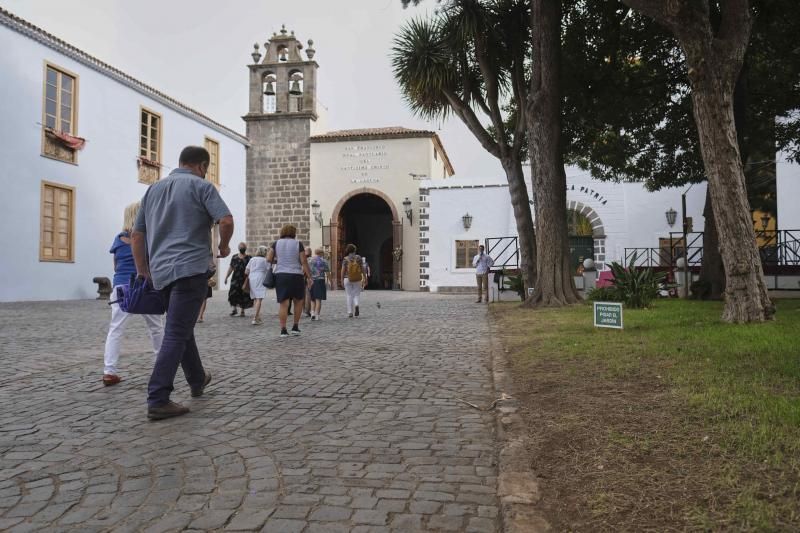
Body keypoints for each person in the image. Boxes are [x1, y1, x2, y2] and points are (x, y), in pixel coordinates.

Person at [132, 145, 234, 420]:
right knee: (176, 332)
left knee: (182, 327)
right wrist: (224, 247)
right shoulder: (201, 186)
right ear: (202, 166)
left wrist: (143, 270)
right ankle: (158, 397)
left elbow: (137, 234)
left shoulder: (152, 190)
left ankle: (197, 379)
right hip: (190, 270)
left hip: (161, 272)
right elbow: (225, 220)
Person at [102, 201, 164, 386]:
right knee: (156, 327)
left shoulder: (118, 239)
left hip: (121, 287)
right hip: (144, 285)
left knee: (116, 329)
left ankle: (109, 371)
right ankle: (161, 366)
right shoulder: (147, 237)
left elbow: (116, 265)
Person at [267, 224, 312, 337]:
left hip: (281, 275)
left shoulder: (276, 243)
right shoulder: (298, 244)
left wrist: (279, 261)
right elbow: (303, 261)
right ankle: (295, 327)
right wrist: (310, 276)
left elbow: (268, 258)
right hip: (296, 275)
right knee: (298, 301)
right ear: (293, 233)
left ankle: (283, 329)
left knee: (284, 304)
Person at [224, 242, 253, 317]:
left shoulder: (249, 258)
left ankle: (242, 311)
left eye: (243, 247)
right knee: (232, 293)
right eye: (240, 247)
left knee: (244, 295)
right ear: (238, 248)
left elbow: (251, 269)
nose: (242, 248)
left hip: (245, 279)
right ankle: (234, 309)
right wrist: (226, 277)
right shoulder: (234, 257)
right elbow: (231, 268)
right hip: (235, 279)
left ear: (245, 248)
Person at [244, 245, 269, 325]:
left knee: (255, 298)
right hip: (260, 278)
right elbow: (268, 270)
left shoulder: (252, 259)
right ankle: (255, 318)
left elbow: (246, 271)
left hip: (252, 278)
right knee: (259, 298)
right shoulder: (265, 260)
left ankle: (258, 317)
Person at [341, 244, 365, 318]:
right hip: (357, 278)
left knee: (349, 295)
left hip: (347, 278)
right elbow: (362, 268)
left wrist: (341, 279)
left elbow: (343, 270)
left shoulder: (346, 259)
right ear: (355, 250)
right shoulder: (358, 258)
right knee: (356, 294)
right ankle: (356, 304)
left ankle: (350, 312)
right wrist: (365, 277)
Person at [308, 248, 330, 320]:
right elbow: (327, 272)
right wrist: (330, 281)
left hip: (311, 280)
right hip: (320, 280)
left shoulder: (310, 260)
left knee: (312, 298)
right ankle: (317, 315)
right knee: (318, 299)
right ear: (321, 253)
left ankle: (312, 314)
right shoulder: (324, 261)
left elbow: (306, 270)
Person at [303, 247, 313, 317]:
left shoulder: (303, 260)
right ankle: (307, 310)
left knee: (304, 295)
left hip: (304, 278)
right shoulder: (312, 260)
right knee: (308, 294)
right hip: (309, 278)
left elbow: (303, 270)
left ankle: (305, 310)